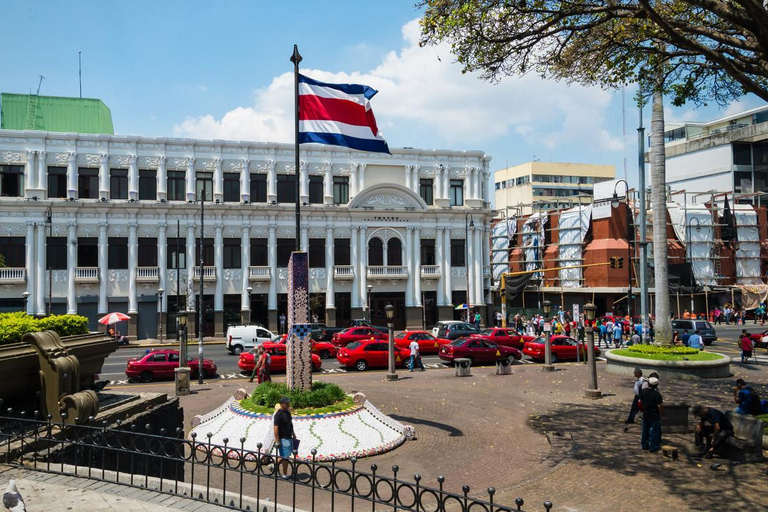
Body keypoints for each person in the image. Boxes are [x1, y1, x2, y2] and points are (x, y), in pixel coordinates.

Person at [273, 397, 297, 479]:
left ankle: (273, 466)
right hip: (283, 438)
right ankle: (285, 474)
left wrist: (293, 434)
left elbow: (290, 423)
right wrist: (277, 440)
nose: (287, 405)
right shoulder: (279, 414)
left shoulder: (287, 412)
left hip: (289, 437)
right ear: (281, 404)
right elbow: (275, 427)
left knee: (286, 455)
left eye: (288, 403)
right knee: (286, 457)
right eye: (286, 403)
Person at [640, 376, 665, 452]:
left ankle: (644, 445)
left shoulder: (643, 391)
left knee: (645, 430)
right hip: (654, 414)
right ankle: (653, 447)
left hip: (646, 413)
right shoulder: (657, 394)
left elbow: (641, 400)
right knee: (654, 431)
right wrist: (663, 414)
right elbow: (659, 406)